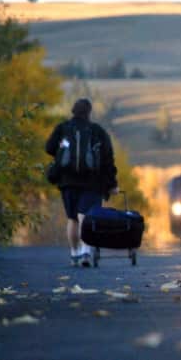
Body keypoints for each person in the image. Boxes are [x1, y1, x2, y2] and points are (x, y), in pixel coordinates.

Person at [46, 98, 118, 267]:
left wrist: (62, 152)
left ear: (73, 111)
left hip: (67, 181)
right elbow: (108, 159)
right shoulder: (97, 131)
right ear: (89, 112)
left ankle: (74, 253)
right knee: (86, 217)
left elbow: (49, 148)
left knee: (72, 219)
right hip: (93, 182)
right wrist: (112, 183)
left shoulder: (63, 129)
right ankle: (86, 250)